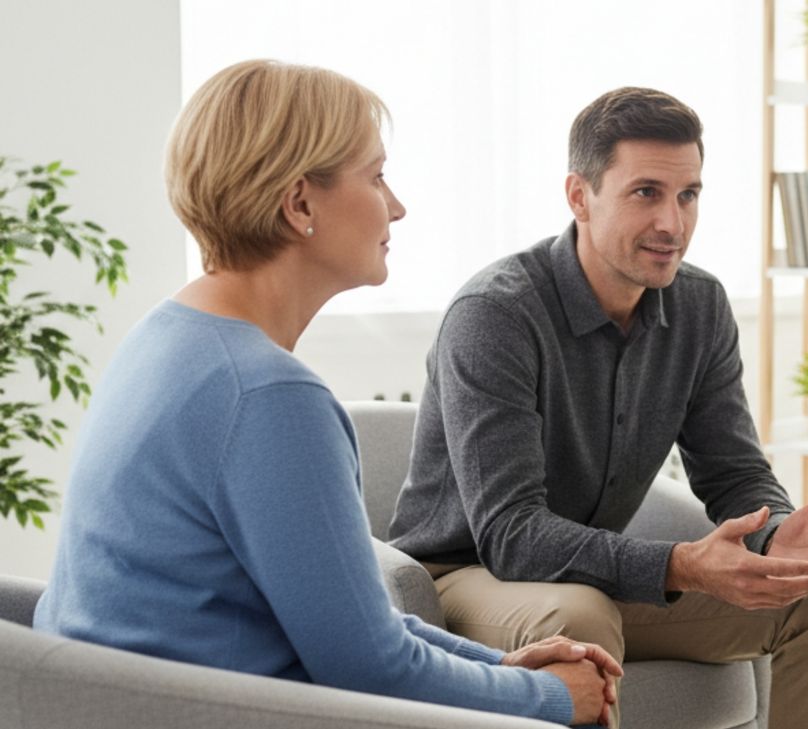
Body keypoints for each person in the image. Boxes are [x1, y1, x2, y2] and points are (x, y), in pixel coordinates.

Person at [33, 59, 619, 727]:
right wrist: (551, 697)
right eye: (375, 177)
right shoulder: (268, 395)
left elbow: (349, 625)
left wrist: (498, 665)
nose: (396, 205)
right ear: (300, 203)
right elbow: (370, 668)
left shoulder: (167, 336)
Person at [388, 86, 808, 729]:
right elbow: (510, 535)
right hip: (464, 581)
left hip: (593, 578)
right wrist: (681, 565)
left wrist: (776, 532)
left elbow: (732, 472)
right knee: (580, 616)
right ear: (580, 196)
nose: (673, 223)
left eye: (688, 195)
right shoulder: (496, 315)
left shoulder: (699, 306)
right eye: (647, 193)